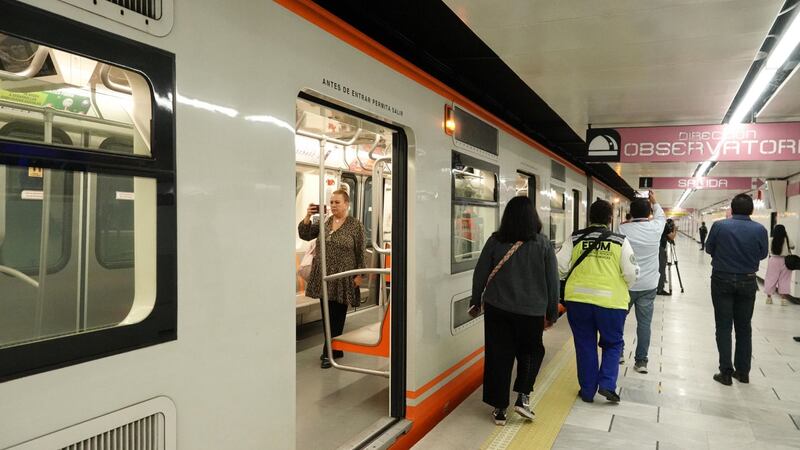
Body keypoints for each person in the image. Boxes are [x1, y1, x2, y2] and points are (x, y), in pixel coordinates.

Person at [470, 196, 560, 426]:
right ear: (533, 217)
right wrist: (552, 311)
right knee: (531, 352)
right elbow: (553, 281)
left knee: (498, 355)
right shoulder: (543, 244)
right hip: (530, 312)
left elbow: (480, 272)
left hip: (497, 308)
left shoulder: (495, 241)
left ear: (507, 217)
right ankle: (522, 397)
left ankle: (500, 408)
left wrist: (475, 299)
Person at [557, 199, 639, 403]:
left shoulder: (575, 237)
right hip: (611, 303)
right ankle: (607, 384)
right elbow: (631, 273)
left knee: (585, 345)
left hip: (578, 301)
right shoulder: (620, 240)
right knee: (613, 343)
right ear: (610, 218)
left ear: (589, 217)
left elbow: (559, 266)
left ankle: (587, 391)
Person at [298, 189, 366, 369]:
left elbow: (360, 251)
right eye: (332, 202)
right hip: (324, 275)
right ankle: (334, 349)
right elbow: (305, 234)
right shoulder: (324, 222)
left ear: (346, 204)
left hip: (344, 276)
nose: (333, 205)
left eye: (337, 202)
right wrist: (307, 215)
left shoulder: (355, 225)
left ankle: (328, 351)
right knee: (327, 314)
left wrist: (360, 275)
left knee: (337, 315)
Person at [705, 194, 768, 385]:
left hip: (721, 279)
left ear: (731, 209)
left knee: (723, 326)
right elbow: (763, 253)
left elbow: (709, 249)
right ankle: (742, 372)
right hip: (748, 281)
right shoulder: (760, 229)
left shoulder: (719, 226)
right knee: (744, 327)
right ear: (752, 210)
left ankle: (725, 372)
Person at [618, 190, 666, 374]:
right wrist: (654, 200)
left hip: (626, 283)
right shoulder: (656, 227)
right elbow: (660, 214)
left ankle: (619, 354)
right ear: (648, 214)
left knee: (619, 320)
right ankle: (641, 361)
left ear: (631, 212)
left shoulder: (622, 229)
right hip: (649, 285)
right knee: (644, 324)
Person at [764, 224, 793, 306]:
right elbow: (793, 246)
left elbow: (768, 249)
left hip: (773, 260)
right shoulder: (787, 239)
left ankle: (769, 298)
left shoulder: (771, 240)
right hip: (786, 261)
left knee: (771, 279)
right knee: (785, 280)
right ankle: (783, 300)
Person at [657, 219, 677, 295]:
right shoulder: (664, 225)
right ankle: (660, 289)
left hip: (655, 248)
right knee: (661, 268)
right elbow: (672, 237)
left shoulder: (655, 223)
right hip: (661, 249)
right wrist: (674, 229)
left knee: (659, 268)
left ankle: (659, 284)